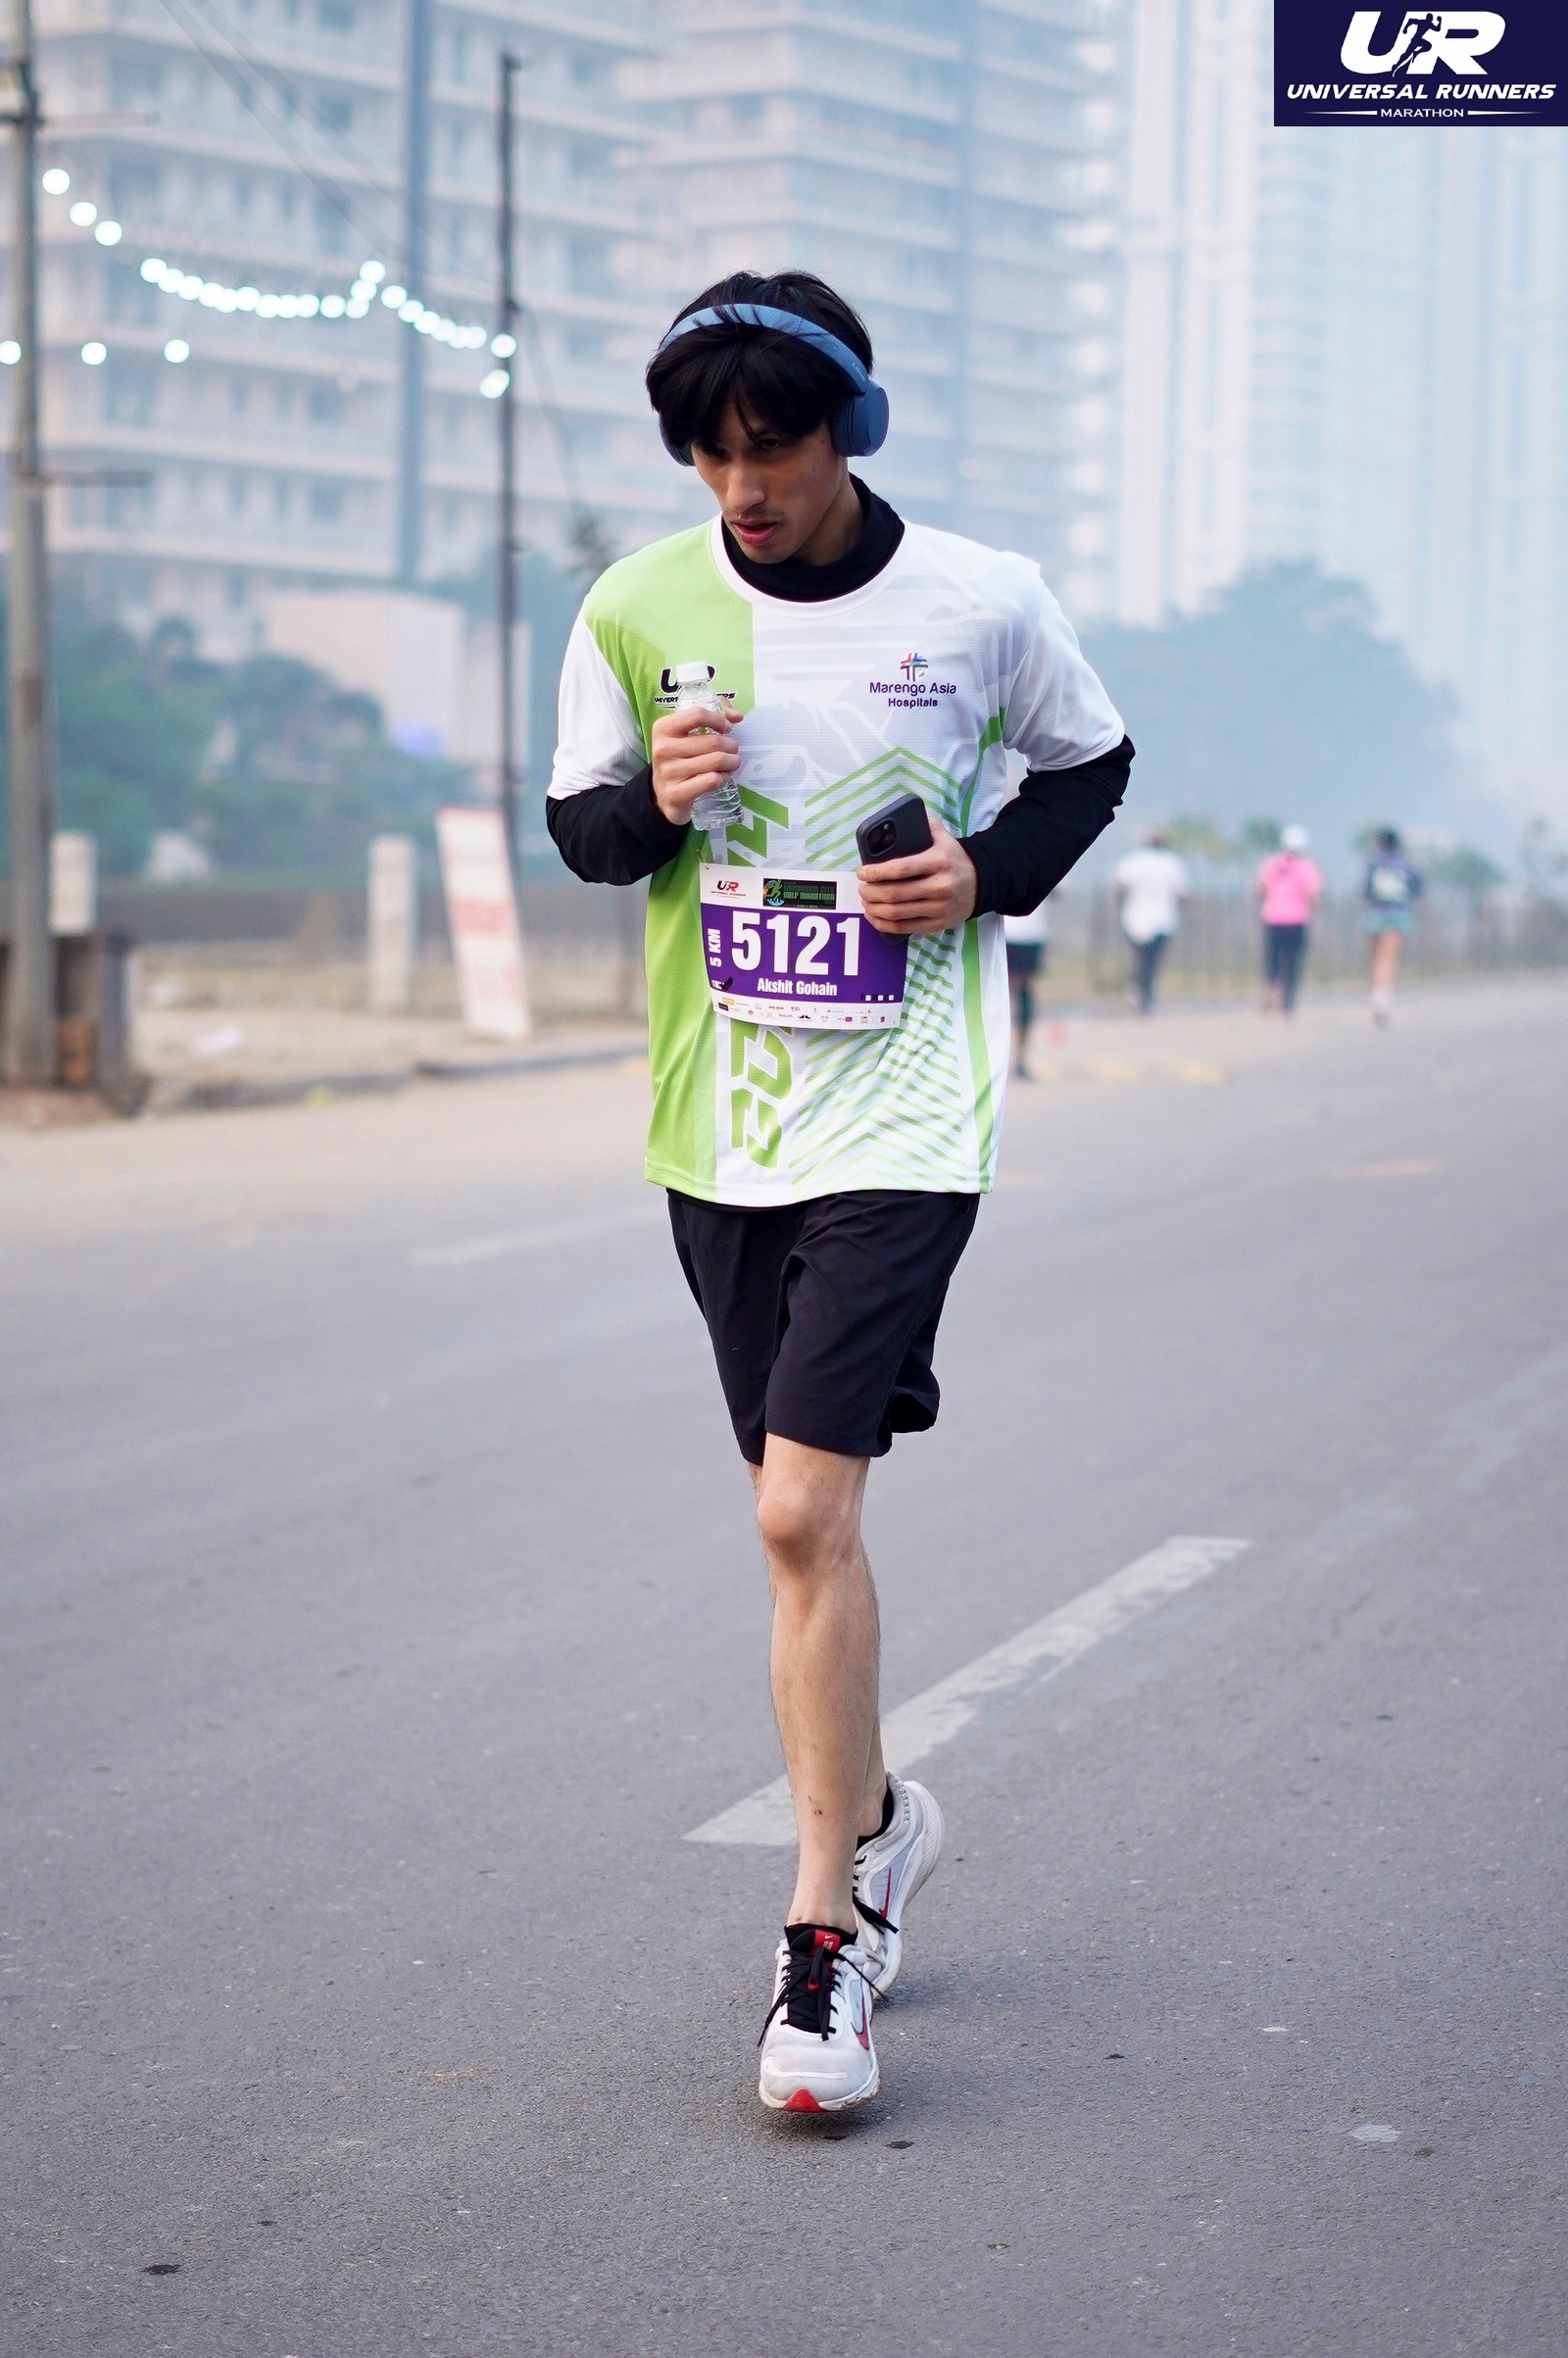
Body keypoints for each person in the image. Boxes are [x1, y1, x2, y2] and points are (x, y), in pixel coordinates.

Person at [546, 271, 1133, 2114]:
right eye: (710, 453)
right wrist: (654, 797)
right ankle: (877, 1817)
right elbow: (583, 831)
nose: (744, 484)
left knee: (803, 1512)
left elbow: (1090, 762)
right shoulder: (636, 605)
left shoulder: (981, 599)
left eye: (774, 445)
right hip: (718, 1119)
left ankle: (825, 1935)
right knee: (797, 1525)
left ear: (847, 431)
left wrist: (986, 874)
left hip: (904, 1106)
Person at [1114, 827, 1189, 1013]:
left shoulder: (1133, 861)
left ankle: (1139, 990)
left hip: (1135, 918)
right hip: (1163, 919)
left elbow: (1119, 886)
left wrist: (1121, 907)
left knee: (1140, 957)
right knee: (1152, 961)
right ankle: (1144, 992)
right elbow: (1183, 893)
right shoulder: (1172, 863)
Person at [1254, 823, 1322, 1014]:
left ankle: (1271, 987)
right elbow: (1314, 894)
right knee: (1292, 963)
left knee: (1273, 959)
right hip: (1297, 920)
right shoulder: (1307, 867)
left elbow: (1259, 889)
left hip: (1273, 918)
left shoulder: (1271, 864)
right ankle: (1287, 1003)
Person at [1363, 826, 1423, 1025]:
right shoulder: (1404, 864)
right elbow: (1418, 886)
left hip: (1376, 913)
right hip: (1398, 914)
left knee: (1377, 957)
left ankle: (1378, 994)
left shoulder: (1374, 863)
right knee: (1388, 958)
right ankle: (1382, 997)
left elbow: (1366, 889)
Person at [1004, 899, 1050, 1077]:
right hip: (1019, 931)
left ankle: (1018, 1059)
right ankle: (1018, 1059)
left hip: (1022, 931)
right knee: (1020, 996)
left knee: (1017, 997)